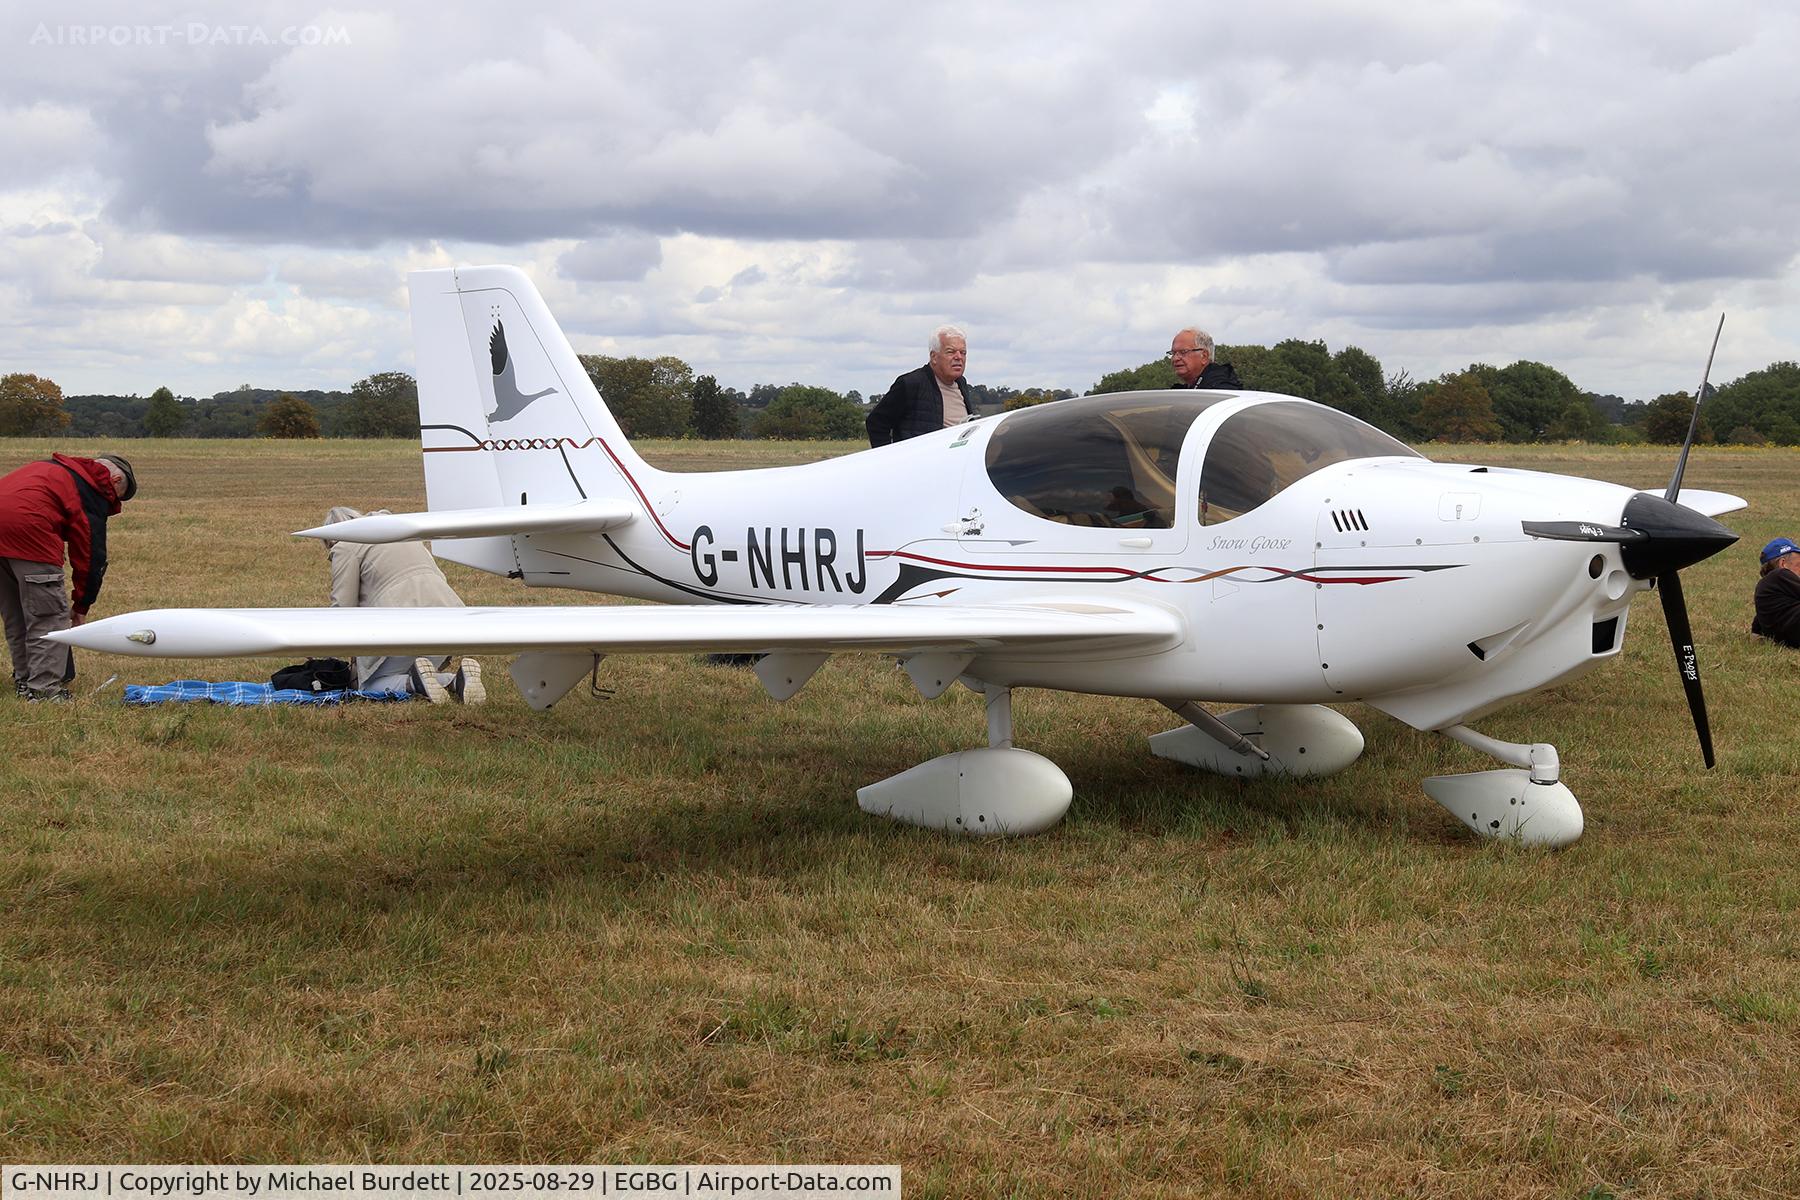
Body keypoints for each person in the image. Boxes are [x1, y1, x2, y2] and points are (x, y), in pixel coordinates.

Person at [0, 452, 136, 702]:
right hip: (30, 531)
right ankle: (44, 691)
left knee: (17, 614)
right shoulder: (91, 487)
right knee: (48, 616)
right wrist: (81, 605)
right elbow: (89, 553)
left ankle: (24, 680)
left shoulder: (52, 468)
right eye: (115, 500)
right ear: (115, 479)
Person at [322, 506, 484, 704]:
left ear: (331, 537)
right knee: (420, 669)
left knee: (369, 686)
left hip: (402, 622)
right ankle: (455, 681)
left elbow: (342, 607)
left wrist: (321, 652)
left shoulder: (345, 546)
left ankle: (414, 685)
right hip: (450, 617)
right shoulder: (398, 530)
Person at [866, 324, 974, 446]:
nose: (959, 357)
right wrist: (888, 457)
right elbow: (876, 422)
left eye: (963, 353)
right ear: (934, 357)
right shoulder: (911, 384)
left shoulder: (961, 383)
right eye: (951, 352)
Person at [1752, 536, 1800, 649]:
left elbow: (1757, 626)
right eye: (1799, 564)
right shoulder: (1780, 574)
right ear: (1783, 564)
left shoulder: (1767, 588)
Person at [1169, 327, 1244, 390]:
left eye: (1183, 352)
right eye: (1173, 353)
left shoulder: (1221, 390)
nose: (1175, 358)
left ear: (1204, 356)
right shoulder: (1185, 391)